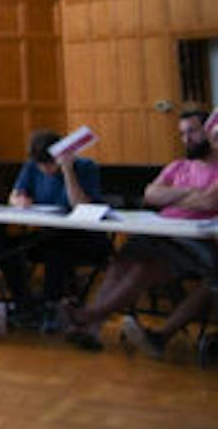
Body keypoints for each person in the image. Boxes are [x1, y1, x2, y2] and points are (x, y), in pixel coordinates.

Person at [65, 108, 218, 352]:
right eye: (182, 134)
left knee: (142, 269)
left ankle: (87, 315)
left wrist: (171, 197)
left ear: (208, 133)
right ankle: (90, 330)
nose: (186, 139)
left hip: (192, 240)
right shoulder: (178, 167)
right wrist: (189, 195)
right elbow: (151, 195)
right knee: (120, 262)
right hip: (159, 231)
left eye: (192, 132)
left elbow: (209, 203)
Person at [0, 128, 112, 328]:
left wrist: (67, 170)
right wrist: (19, 200)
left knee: (56, 249)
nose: (46, 170)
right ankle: (25, 304)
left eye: (50, 164)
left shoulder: (86, 167)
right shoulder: (32, 167)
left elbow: (81, 205)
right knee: (6, 248)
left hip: (84, 238)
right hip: (48, 233)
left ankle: (50, 305)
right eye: (41, 165)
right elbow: (14, 195)